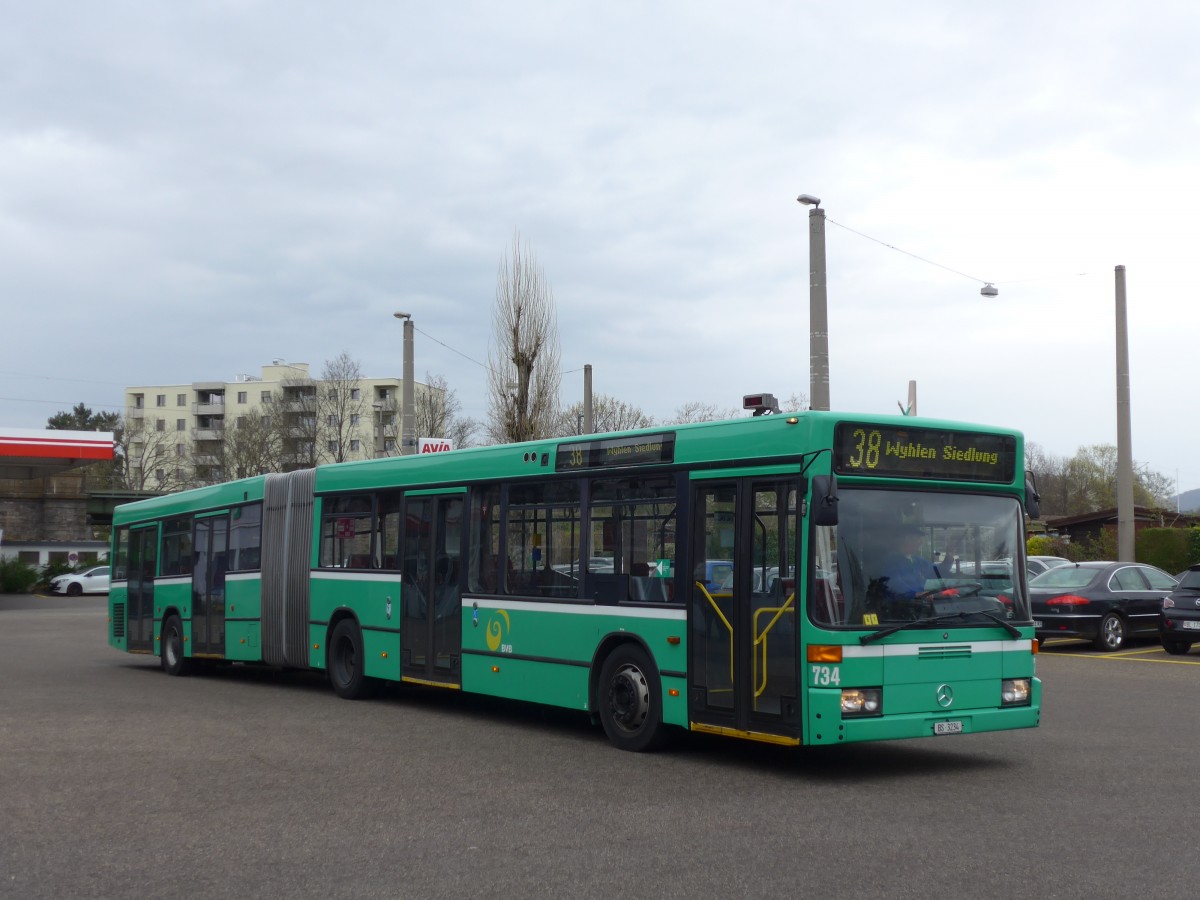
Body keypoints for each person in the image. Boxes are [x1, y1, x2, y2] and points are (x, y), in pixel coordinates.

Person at [879, 527, 944, 601]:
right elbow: (894, 583)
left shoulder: (917, 560)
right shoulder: (892, 561)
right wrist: (914, 594)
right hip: (899, 606)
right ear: (907, 540)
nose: (920, 543)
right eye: (917, 539)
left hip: (919, 602)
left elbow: (936, 571)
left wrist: (948, 560)